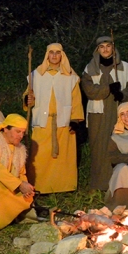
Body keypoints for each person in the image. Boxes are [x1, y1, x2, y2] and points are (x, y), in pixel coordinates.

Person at [81, 36, 128, 192]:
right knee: (99, 148)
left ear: (113, 48)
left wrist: (122, 95)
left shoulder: (125, 67)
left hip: (119, 113)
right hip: (98, 114)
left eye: (108, 46)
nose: (105, 49)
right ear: (97, 50)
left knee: (120, 145)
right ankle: (100, 185)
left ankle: (120, 184)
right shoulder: (89, 68)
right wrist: (107, 88)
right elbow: (89, 90)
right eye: (102, 47)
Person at [24, 43, 84, 194]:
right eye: (51, 52)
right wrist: (27, 100)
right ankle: (39, 187)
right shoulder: (36, 75)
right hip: (42, 121)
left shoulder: (70, 76)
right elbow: (28, 94)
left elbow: (76, 99)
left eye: (58, 53)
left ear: (62, 55)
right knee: (39, 156)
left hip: (63, 122)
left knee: (63, 157)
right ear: (47, 55)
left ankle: (64, 186)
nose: (55, 56)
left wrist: (75, 120)